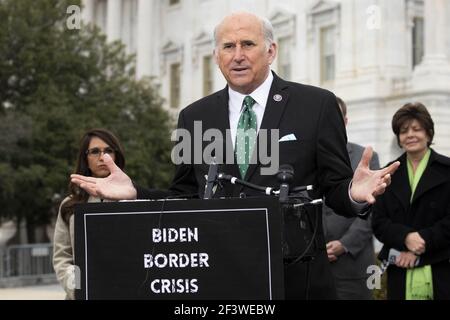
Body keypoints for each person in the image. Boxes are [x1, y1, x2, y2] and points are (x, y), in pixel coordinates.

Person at [71, 12, 399, 299]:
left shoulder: (316, 106)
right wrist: (135, 194)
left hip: (298, 280)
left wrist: (354, 194)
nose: (237, 55)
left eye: (248, 44)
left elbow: (335, 188)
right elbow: (186, 197)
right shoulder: (193, 117)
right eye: (228, 47)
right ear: (216, 55)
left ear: (271, 51)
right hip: (222, 279)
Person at [372, 102, 450, 300]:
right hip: (399, 266)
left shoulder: (447, 170)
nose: (410, 135)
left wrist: (422, 243)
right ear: (398, 137)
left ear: (429, 134)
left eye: (417, 129)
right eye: (404, 131)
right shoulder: (388, 173)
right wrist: (406, 238)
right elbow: (379, 222)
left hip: (441, 265)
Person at [53, 128, 126, 299]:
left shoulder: (132, 200)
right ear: (85, 158)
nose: (102, 157)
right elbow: (62, 257)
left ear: (116, 155)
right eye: (95, 151)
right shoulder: (69, 205)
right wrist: (79, 289)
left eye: (108, 151)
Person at [322, 97, 380, 300]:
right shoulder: (303, 157)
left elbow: (372, 212)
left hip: (352, 268)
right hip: (311, 267)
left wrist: (344, 245)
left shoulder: (366, 157)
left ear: (345, 121)